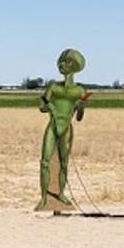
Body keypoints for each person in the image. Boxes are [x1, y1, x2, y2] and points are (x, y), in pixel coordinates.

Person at [35, 48, 91, 210]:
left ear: (73, 67)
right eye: (61, 61)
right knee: (45, 161)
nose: (61, 65)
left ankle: (61, 193)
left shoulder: (79, 91)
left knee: (64, 163)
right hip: (53, 126)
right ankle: (44, 197)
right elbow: (42, 107)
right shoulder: (53, 87)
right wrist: (49, 106)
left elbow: (79, 117)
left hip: (66, 128)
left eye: (66, 62)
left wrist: (81, 107)